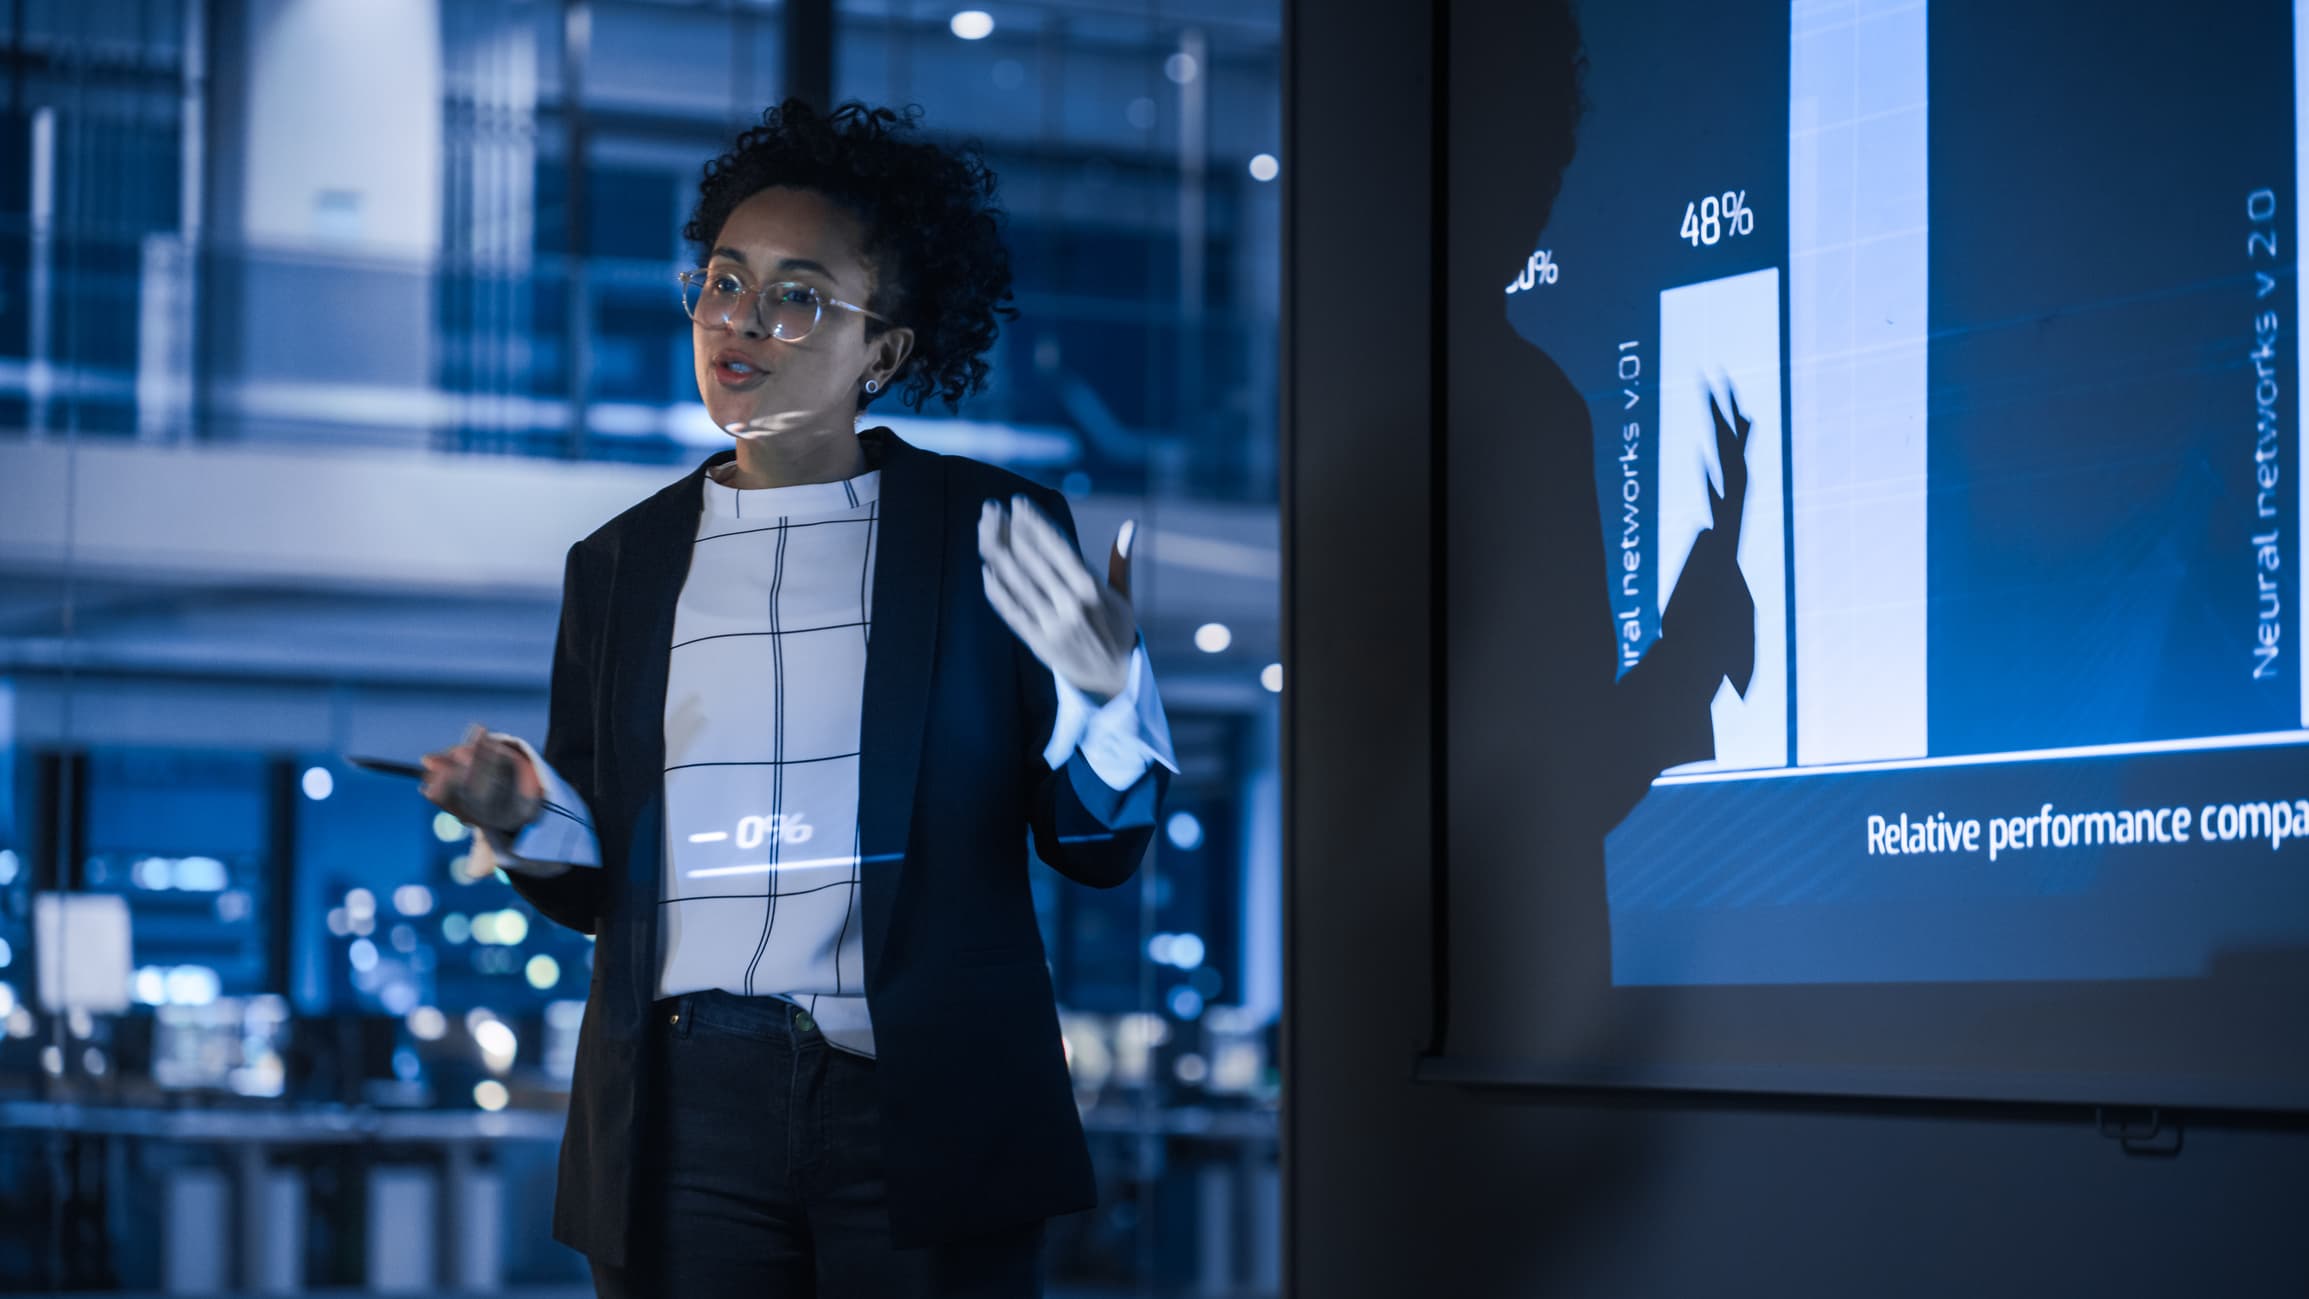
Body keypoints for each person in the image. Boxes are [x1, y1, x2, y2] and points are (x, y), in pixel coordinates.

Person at [418, 99, 1177, 1297]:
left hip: (923, 1101)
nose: (742, 320)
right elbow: (598, 882)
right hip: (683, 1114)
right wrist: (521, 817)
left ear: (883, 352)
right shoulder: (616, 565)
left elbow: (1097, 851)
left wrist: (1105, 698)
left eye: (798, 294)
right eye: (723, 279)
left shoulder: (991, 533)